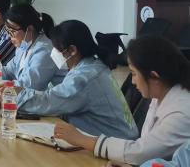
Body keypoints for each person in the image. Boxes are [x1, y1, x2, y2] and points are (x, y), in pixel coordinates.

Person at [0, 20, 137, 139]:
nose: (54, 53)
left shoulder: (85, 77)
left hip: (115, 147)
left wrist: (11, 96)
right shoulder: (89, 66)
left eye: (57, 49)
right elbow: (54, 96)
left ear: (72, 50)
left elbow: (49, 101)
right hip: (106, 139)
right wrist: (18, 92)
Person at [54, 35, 190, 166]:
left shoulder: (181, 112)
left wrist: (82, 140)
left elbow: (142, 152)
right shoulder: (160, 95)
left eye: (134, 73)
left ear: (154, 76)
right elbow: (148, 150)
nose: (133, 81)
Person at [0, 3, 64, 91]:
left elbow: (29, 85)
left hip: (51, 104)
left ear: (29, 29)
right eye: (8, 31)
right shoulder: (24, 46)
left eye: (12, 31)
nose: (10, 36)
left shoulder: (45, 50)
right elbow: (9, 71)